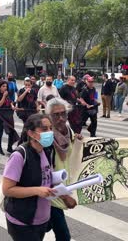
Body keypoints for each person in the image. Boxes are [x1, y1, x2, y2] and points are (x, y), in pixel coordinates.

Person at [2, 114, 55, 241]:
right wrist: (37, 190)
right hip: (23, 221)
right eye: (44, 129)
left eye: (50, 128)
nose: (49, 132)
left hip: (41, 219)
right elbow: (8, 189)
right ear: (31, 133)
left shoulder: (46, 151)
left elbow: (44, 177)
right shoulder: (19, 155)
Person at [45, 98, 80, 240]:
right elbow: (45, 173)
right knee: (64, 236)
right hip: (50, 194)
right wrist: (65, 197)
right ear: (49, 117)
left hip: (61, 187)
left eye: (63, 114)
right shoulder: (46, 139)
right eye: (56, 115)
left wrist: (77, 139)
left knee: (45, 226)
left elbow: (69, 153)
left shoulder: (68, 131)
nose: (60, 118)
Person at [0, 81, 18, 155]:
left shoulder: (7, 94)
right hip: (1, 116)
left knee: (11, 131)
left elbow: (10, 101)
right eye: (3, 86)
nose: (5, 88)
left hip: (8, 115)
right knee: (0, 132)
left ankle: (9, 147)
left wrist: (12, 106)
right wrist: (4, 96)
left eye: (6, 86)